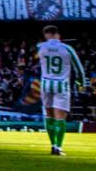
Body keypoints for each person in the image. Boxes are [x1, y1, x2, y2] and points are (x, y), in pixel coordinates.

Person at [36, 26, 85, 156]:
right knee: (60, 117)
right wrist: (81, 82)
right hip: (61, 85)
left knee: (49, 116)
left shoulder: (40, 47)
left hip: (46, 84)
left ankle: (52, 145)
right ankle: (58, 146)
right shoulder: (67, 48)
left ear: (46, 34)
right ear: (57, 34)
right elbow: (79, 68)